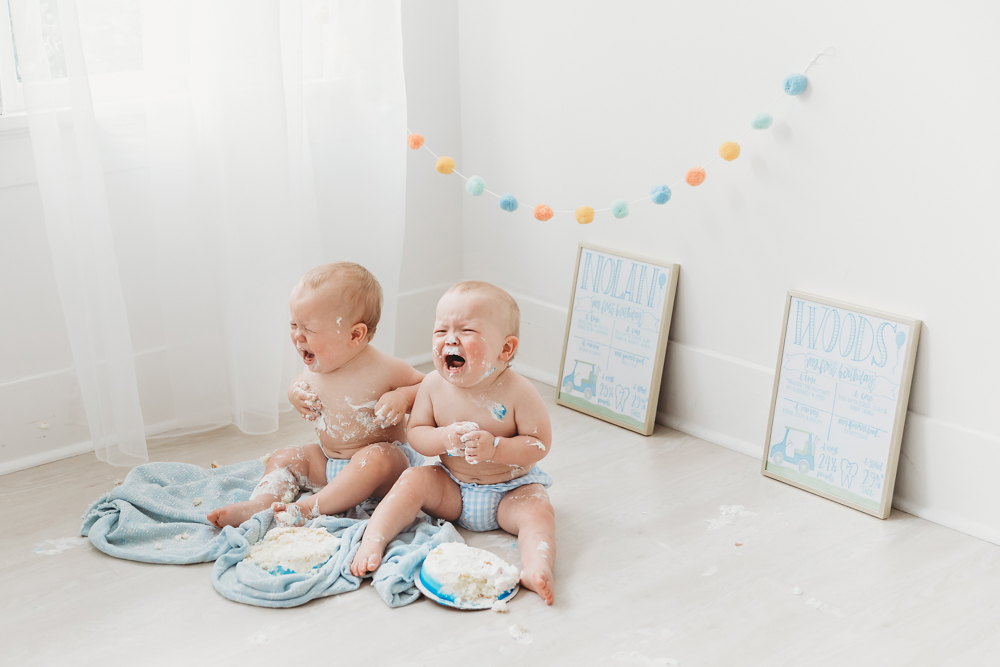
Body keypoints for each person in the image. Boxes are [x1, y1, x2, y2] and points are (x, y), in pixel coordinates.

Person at [350, 281, 556, 604]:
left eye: (466, 330)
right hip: (453, 488)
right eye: (441, 330)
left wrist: (496, 448)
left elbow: (539, 443)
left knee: (538, 509)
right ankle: (372, 540)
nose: (450, 339)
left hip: (510, 491)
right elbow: (417, 433)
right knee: (412, 480)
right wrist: (444, 438)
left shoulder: (519, 391)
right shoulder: (433, 385)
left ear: (505, 349)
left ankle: (536, 566)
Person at [207, 262, 424, 528]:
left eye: (308, 329)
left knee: (378, 457)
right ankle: (261, 503)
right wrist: (294, 393)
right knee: (286, 456)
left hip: (385, 471)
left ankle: (310, 507)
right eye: (293, 324)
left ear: (355, 335)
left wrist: (402, 397)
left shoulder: (385, 368)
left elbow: (428, 389)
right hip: (329, 462)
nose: (298, 336)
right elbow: (301, 382)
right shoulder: (318, 362)